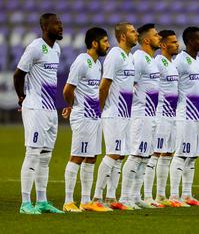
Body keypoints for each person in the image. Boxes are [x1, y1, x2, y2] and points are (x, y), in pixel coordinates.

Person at [14, 13, 64, 214]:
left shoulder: (57, 49)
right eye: (56, 24)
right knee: (33, 153)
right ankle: (26, 203)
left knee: (45, 156)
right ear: (45, 27)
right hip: (35, 108)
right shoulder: (35, 47)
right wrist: (22, 97)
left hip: (50, 109)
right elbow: (18, 74)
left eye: (60, 23)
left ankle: (42, 201)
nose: (60, 27)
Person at [62, 27, 110, 212]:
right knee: (77, 157)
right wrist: (73, 105)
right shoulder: (81, 62)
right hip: (82, 117)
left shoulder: (97, 64)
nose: (108, 45)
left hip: (95, 117)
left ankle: (85, 201)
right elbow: (67, 89)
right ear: (94, 43)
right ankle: (68, 201)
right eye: (105, 41)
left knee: (91, 157)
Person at [92, 22, 138, 210]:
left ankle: (111, 198)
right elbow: (104, 86)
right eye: (133, 31)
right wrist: (99, 110)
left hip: (126, 114)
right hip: (113, 114)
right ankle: (96, 197)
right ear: (123, 36)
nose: (136, 34)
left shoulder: (130, 57)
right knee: (112, 154)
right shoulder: (114, 55)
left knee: (119, 156)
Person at [119, 23, 162, 208]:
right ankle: (124, 197)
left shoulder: (151, 59)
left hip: (151, 115)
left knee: (145, 157)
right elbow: (129, 84)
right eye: (156, 35)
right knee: (136, 155)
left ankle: (136, 196)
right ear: (146, 40)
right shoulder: (139, 58)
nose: (159, 37)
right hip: (140, 114)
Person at [142, 30, 181, 207]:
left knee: (168, 154)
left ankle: (161, 195)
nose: (177, 44)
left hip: (172, 115)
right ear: (164, 45)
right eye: (173, 42)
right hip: (160, 114)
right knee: (155, 154)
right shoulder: (157, 62)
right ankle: (147, 196)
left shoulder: (172, 64)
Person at [169, 26, 199, 206]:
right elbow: (171, 89)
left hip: (198, 115)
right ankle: (174, 196)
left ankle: (187, 195)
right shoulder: (180, 62)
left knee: (192, 156)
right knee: (181, 154)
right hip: (184, 114)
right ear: (190, 41)